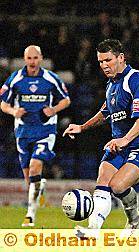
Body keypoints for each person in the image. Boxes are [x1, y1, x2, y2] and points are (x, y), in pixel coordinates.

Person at [63, 39, 139, 233]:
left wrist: (124, 140)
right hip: (120, 146)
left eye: (108, 60)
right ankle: (92, 230)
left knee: (117, 186)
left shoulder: (136, 79)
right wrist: (82, 127)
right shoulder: (112, 85)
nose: (104, 65)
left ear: (121, 58)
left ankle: (134, 219)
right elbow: (105, 112)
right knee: (103, 181)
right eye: (100, 62)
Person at [0, 45, 71, 227]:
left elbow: (66, 100)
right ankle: (38, 188)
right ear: (25, 59)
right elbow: (3, 104)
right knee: (28, 178)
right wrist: (13, 111)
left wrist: (53, 109)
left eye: (35, 58)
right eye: (29, 58)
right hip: (23, 131)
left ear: (40, 58)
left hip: (45, 130)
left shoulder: (50, 78)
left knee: (34, 167)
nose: (32, 62)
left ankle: (30, 214)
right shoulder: (15, 78)